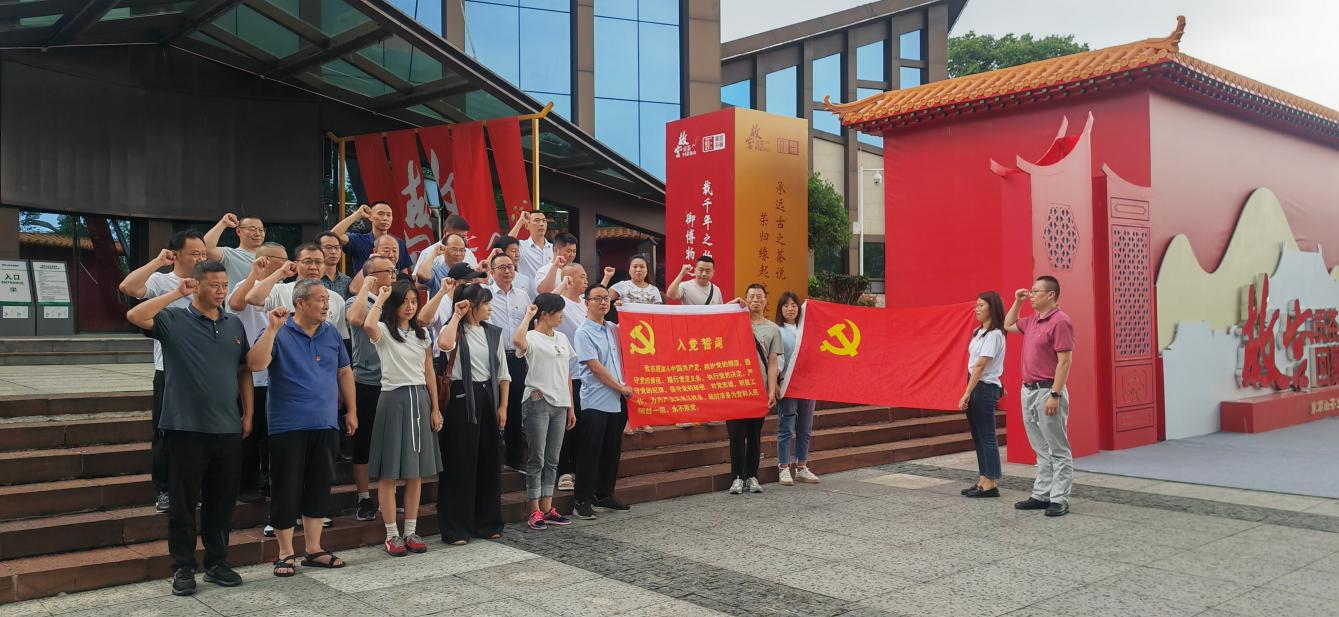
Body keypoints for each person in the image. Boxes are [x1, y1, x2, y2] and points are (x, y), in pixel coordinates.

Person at [125, 261, 252, 596]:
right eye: (214, 285)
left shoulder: (234, 324)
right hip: (185, 427)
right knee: (183, 503)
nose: (221, 291)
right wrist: (174, 294)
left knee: (221, 502)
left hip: (227, 426)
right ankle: (182, 567)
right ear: (196, 285)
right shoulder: (173, 319)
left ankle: (217, 562)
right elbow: (135, 315)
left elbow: (243, 370)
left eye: (224, 285)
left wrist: (248, 413)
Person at [246, 279, 357, 576]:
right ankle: (285, 552)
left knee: (319, 485)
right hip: (288, 424)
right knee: (286, 486)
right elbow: (255, 364)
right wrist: (272, 329)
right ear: (300, 303)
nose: (326, 305)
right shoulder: (279, 330)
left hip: (325, 422)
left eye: (327, 299)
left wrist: (351, 410)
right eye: (320, 299)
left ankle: (314, 548)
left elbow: (344, 372)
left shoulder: (331, 332)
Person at [117, 229, 207, 513]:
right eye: (194, 253)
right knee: (165, 433)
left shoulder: (210, 282)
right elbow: (128, 287)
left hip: (204, 371)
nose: (201, 258)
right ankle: (164, 490)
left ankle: (195, 487)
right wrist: (158, 262)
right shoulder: (161, 280)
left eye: (203, 253)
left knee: (200, 434)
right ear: (176, 254)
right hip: (168, 370)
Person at [364, 281, 443, 555]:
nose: (409, 306)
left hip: (420, 398)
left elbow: (429, 371)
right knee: (389, 472)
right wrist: (381, 298)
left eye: (413, 301)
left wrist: (435, 408)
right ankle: (391, 534)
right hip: (393, 398)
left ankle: (411, 530)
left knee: (415, 472)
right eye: (404, 301)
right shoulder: (384, 330)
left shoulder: (422, 334)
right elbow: (368, 325)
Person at [435, 284, 511, 544]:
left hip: (488, 396)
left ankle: (487, 522)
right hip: (460, 398)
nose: (490, 308)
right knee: (459, 462)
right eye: (485, 303)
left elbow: (503, 374)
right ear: (471, 306)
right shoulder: (454, 329)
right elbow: (444, 344)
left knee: (489, 461)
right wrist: (457, 315)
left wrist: (503, 406)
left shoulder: (493, 333)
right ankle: (456, 527)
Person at [1005, 276, 1075, 517]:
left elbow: (1065, 361)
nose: (1031, 295)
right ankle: (1041, 494)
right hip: (1028, 390)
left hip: (1048, 390)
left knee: (1058, 448)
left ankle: (1059, 498)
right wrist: (1017, 301)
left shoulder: (1061, 321)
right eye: (1031, 291)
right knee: (1040, 448)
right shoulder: (1033, 320)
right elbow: (1008, 324)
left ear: (1051, 295)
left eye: (1036, 291)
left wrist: (1055, 393)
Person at [226, 242, 290, 504]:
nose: (287, 264)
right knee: (250, 432)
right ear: (266, 259)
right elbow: (237, 303)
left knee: (271, 433)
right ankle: (247, 483)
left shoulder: (285, 289)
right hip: (250, 371)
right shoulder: (247, 283)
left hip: (278, 371)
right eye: (282, 259)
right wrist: (260, 273)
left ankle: (268, 479)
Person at [571, 285, 634, 519]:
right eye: (597, 298)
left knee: (611, 450)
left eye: (606, 298)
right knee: (590, 452)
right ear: (586, 303)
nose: (603, 302)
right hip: (596, 400)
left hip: (617, 400)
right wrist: (620, 387)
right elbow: (595, 367)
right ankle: (581, 500)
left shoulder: (614, 328)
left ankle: (604, 495)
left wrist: (627, 311)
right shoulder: (583, 332)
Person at [512, 293, 574, 529]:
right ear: (546, 314)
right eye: (558, 312)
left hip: (560, 403)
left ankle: (548, 507)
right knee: (536, 457)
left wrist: (570, 406)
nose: (562, 316)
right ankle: (534, 509)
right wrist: (528, 316)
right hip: (537, 401)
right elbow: (517, 342)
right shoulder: (531, 336)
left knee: (552, 458)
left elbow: (567, 373)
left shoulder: (562, 338)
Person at [344, 256, 398, 522]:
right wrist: (366, 286)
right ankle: (364, 497)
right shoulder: (358, 301)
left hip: (394, 381)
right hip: (366, 381)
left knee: (392, 443)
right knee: (364, 442)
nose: (394, 274)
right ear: (373, 275)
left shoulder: (395, 302)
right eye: (389, 270)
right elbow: (355, 320)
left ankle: (389, 494)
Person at [727, 284, 781, 495]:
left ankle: (752, 475)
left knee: (754, 435)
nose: (755, 300)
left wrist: (771, 390)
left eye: (759, 297)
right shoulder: (734, 322)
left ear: (766, 301)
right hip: (734, 388)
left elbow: (773, 362)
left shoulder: (773, 329)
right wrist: (732, 305)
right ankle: (737, 477)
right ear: (746, 299)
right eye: (751, 297)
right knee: (735, 435)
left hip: (758, 390)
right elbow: (714, 321)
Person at [485, 251, 534, 471]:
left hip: (516, 358)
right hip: (492, 358)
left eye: (510, 267)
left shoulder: (522, 295)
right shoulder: (485, 294)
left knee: (514, 407)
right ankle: (492, 456)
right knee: (492, 405)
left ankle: (514, 457)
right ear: (491, 271)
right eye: (502, 267)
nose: (507, 271)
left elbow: (529, 326)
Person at [245, 243, 348, 338]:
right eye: (307, 262)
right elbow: (252, 298)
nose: (313, 267)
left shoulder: (336, 299)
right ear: (295, 264)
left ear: (324, 266)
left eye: (318, 262)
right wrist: (281, 272)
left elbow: (342, 337)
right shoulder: (279, 290)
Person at [960, 291, 1007, 498]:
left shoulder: (994, 334)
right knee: (978, 435)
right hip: (977, 385)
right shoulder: (978, 332)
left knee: (987, 436)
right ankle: (983, 478)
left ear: (992, 308)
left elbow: (980, 365)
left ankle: (991, 482)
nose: (976, 309)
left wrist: (967, 392)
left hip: (983, 387)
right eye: (976, 305)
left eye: (981, 305)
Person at [774, 291, 819, 486]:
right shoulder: (777, 331)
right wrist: (775, 383)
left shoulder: (808, 329)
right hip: (788, 384)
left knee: (805, 427)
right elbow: (775, 359)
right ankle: (784, 467)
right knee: (786, 426)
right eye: (786, 306)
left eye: (794, 305)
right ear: (780, 309)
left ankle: (801, 467)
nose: (790, 309)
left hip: (809, 385)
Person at [553, 263, 590, 492]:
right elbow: (544, 303)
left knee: (583, 423)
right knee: (568, 423)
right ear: (568, 279)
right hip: (568, 373)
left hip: (589, 373)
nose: (586, 280)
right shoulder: (561, 304)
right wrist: (562, 285)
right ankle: (564, 470)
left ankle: (578, 467)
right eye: (581, 276)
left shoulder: (586, 304)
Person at [332, 202, 412, 274]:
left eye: (388, 215)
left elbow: (404, 274)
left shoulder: (398, 243)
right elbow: (333, 236)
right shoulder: (358, 240)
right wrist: (357, 214)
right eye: (380, 214)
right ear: (370, 217)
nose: (385, 218)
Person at [203, 213, 265, 290]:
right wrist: (223, 223)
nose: (258, 234)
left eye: (261, 230)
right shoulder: (230, 255)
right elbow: (206, 249)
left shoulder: (271, 256)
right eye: (252, 229)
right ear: (238, 231)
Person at [413, 214, 479, 278]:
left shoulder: (468, 252)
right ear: (446, 233)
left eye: (464, 237)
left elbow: (475, 277)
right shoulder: (429, 252)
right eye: (458, 236)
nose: (461, 239)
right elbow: (418, 280)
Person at [516, 211, 552, 288]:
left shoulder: (554, 248)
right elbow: (505, 243)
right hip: (527, 294)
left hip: (552, 294)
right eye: (537, 220)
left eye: (544, 221)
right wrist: (520, 221)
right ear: (527, 225)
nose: (541, 224)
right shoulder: (521, 246)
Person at [316, 231, 352, 300]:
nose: (333, 252)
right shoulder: (312, 279)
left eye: (337, 247)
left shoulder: (347, 281)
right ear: (317, 250)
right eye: (328, 247)